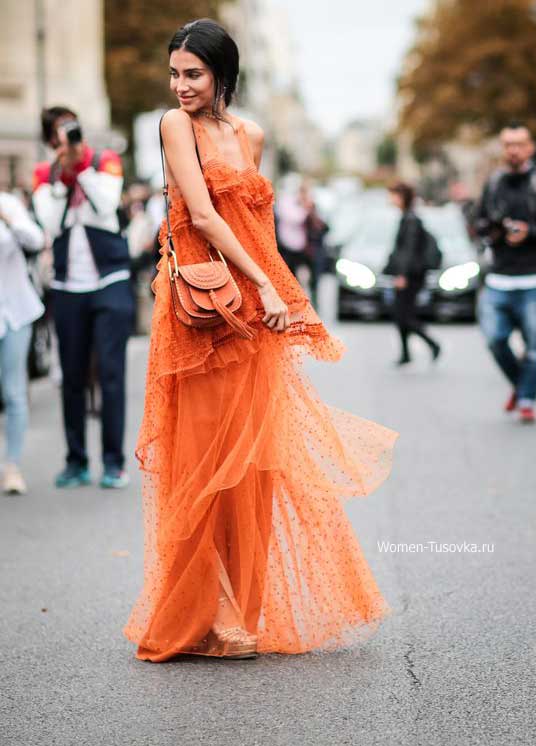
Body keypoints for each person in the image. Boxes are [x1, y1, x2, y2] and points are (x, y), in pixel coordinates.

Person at [122, 18, 399, 663]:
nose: (182, 85)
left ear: (223, 74)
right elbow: (203, 216)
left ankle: (235, 612)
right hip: (201, 316)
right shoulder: (174, 127)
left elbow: (260, 228)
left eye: (194, 73)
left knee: (251, 468)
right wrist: (268, 287)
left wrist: (283, 298)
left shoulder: (252, 134)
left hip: (254, 318)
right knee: (201, 464)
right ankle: (204, 610)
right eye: (175, 74)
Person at [32, 107, 135, 487]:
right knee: (72, 376)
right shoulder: (45, 174)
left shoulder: (105, 161)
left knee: (111, 374)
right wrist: (63, 176)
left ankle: (113, 463)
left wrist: (83, 169)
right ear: (49, 141)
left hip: (110, 280)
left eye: (71, 131)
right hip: (67, 286)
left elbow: (107, 206)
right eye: (60, 135)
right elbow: (49, 220)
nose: (69, 141)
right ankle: (76, 460)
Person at [474, 124, 536, 423]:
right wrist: (496, 230)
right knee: (495, 340)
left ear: (530, 148)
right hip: (499, 276)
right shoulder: (495, 181)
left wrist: (530, 232)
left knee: (534, 348)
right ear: (502, 148)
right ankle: (520, 384)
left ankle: (526, 400)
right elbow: (480, 220)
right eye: (508, 144)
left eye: (519, 144)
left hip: (534, 277)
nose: (513, 150)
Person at [0, 190, 45, 494]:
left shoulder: (8, 203)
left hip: (14, 312)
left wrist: (9, 217)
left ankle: (12, 467)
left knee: (14, 392)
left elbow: (35, 240)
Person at [385, 182, 441, 366]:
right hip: (409, 274)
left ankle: (432, 344)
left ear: (401, 197)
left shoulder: (411, 220)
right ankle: (406, 353)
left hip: (411, 276)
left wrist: (402, 275)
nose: (390, 198)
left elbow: (408, 250)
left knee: (404, 315)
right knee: (401, 314)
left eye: (393, 194)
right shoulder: (407, 217)